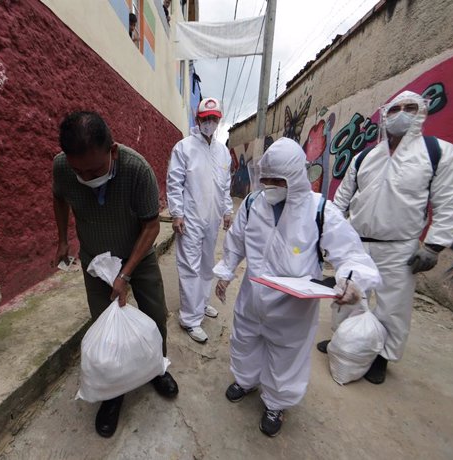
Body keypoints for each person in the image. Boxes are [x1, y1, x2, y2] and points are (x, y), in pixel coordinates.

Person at [214, 138, 381, 437]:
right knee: (244, 340)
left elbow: (352, 254)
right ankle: (246, 379)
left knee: (286, 356)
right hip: (252, 296)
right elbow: (236, 241)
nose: (270, 185)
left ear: (295, 177)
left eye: (278, 180)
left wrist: (352, 281)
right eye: (266, 179)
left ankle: (276, 403)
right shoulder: (253, 203)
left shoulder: (320, 211)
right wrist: (226, 272)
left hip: (293, 308)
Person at [316, 90, 453, 384]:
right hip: (356, 243)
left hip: (400, 248)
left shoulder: (437, 153)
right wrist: (326, 232)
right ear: (386, 115)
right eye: (396, 108)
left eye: (411, 108)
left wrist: (434, 246)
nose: (402, 114)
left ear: (422, 112)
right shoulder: (365, 157)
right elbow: (342, 198)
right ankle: (344, 342)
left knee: (392, 307)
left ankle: (381, 357)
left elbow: (448, 201)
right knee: (347, 297)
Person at [52, 111, 178, 438]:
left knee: (154, 316)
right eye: (79, 171)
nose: (85, 177)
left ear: (113, 151)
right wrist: (64, 239)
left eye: (94, 170)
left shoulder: (137, 170)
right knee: (105, 325)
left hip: (138, 251)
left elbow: (151, 226)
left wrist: (125, 274)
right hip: (95, 258)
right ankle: (113, 392)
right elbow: (59, 196)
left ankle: (156, 368)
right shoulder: (64, 168)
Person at [166, 97, 233, 343]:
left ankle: (201, 304)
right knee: (189, 267)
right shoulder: (183, 148)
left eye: (214, 118)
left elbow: (225, 186)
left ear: (219, 120)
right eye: (206, 119)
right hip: (190, 219)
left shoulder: (222, 151)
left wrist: (227, 211)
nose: (210, 123)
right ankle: (189, 319)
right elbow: (174, 183)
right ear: (198, 119)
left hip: (212, 218)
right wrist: (177, 213)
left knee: (206, 265)